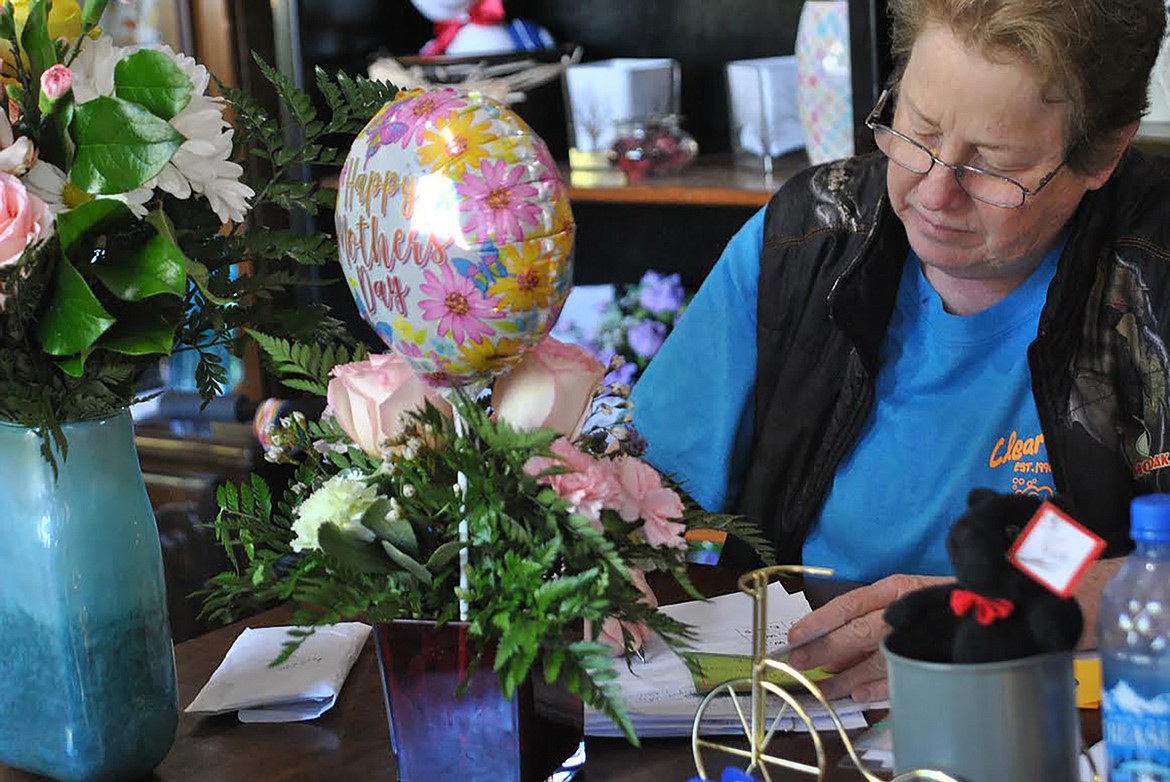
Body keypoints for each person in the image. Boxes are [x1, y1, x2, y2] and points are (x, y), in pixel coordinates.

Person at [630, 0, 1170, 703]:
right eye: (917, 130)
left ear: (1101, 153)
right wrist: (600, 559)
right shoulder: (807, 240)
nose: (935, 192)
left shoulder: (1153, 277)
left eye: (995, 166)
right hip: (806, 722)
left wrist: (1014, 612)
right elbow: (637, 495)